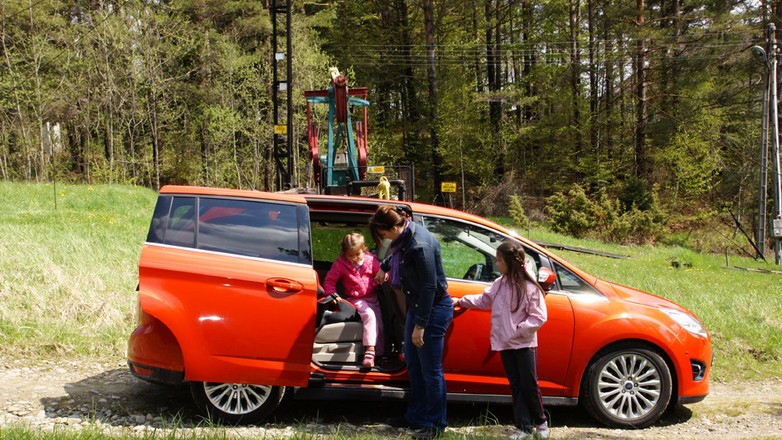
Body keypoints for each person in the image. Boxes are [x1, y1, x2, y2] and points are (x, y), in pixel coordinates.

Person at [370, 205, 453, 440]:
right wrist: (384, 268)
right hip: (417, 308)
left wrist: (420, 326)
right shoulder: (404, 236)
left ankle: (435, 425)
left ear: (395, 226)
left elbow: (429, 287)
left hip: (432, 310)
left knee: (431, 371)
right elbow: (397, 254)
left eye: (384, 232)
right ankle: (416, 417)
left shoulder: (420, 245)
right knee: (414, 368)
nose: (383, 237)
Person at [452, 239, 549, 440]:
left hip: (524, 344)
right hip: (505, 344)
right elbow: (484, 299)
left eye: (499, 260)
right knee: (515, 384)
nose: (497, 264)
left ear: (510, 262)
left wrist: (519, 330)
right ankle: (522, 427)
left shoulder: (530, 287)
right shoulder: (500, 283)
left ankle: (541, 422)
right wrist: (461, 300)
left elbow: (539, 316)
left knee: (529, 384)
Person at [323, 232, 384, 368]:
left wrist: (384, 276)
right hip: (355, 299)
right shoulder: (341, 264)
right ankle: (370, 351)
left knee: (378, 324)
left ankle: (379, 354)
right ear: (345, 254)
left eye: (358, 254)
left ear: (364, 249)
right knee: (369, 316)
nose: (355, 258)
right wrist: (332, 294)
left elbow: (380, 272)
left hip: (372, 297)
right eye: (350, 256)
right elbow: (329, 281)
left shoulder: (371, 260)